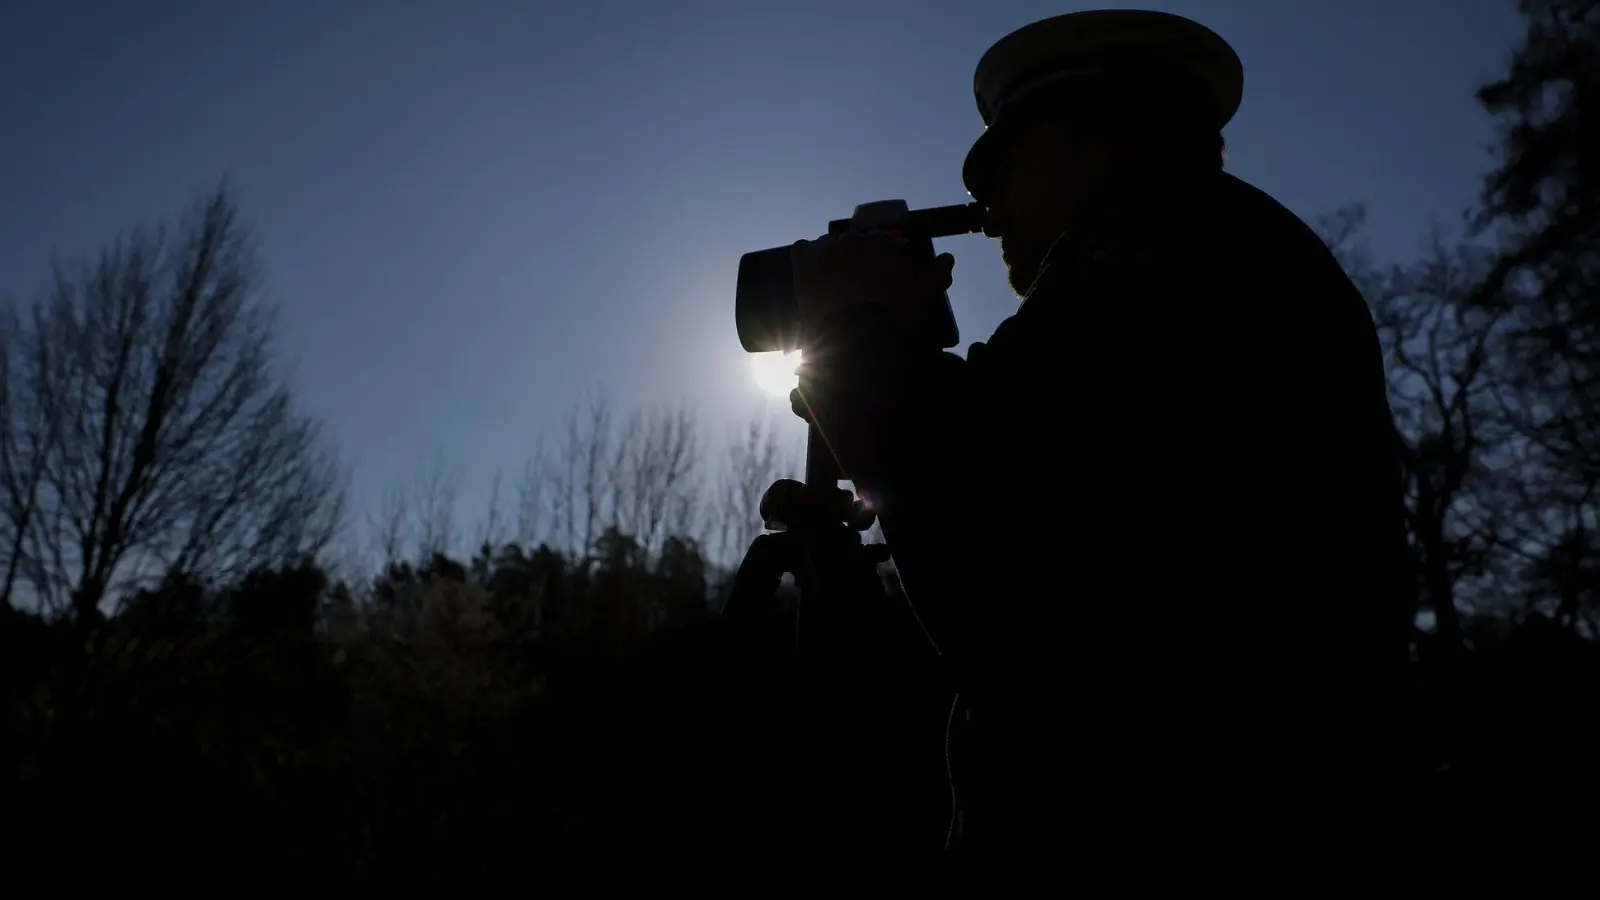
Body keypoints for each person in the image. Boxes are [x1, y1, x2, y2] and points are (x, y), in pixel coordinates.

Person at [788, 10, 1415, 864]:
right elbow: (1066, 503)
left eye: (999, 163)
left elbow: (1008, 584)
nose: (986, 203)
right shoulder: (1210, 258)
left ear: (1101, 135)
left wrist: (859, 343)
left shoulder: (1166, 251)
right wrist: (891, 360)